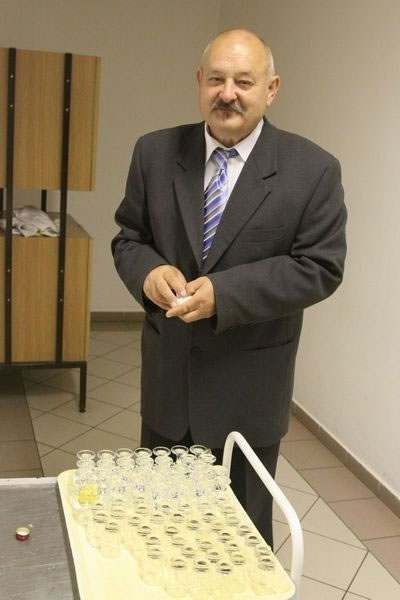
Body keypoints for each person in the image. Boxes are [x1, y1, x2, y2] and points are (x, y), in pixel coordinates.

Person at [112, 28, 347, 546]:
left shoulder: (313, 170)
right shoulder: (153, 153)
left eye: (244, 81)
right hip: (170, 385)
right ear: (199, 81)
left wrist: (226, 294)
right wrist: (148, 272)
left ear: (272, 88)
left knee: (238, 544)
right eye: (216, 79)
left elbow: (320, 266)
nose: (228, 94)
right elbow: (129, 238)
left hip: (249, 397)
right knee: (162, 533)